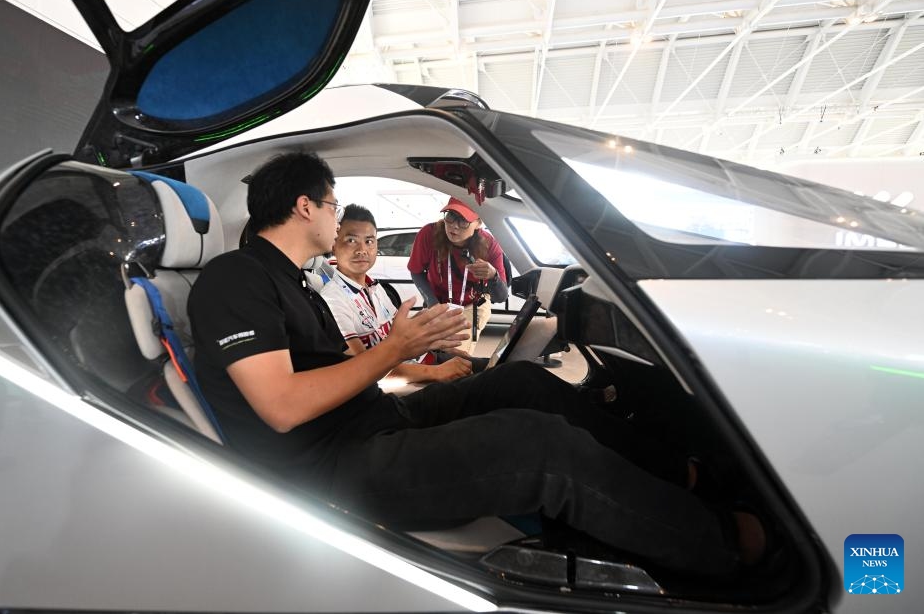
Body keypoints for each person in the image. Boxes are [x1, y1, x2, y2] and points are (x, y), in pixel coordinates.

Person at [188, 151, 764, 577]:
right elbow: (282, 406)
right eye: (333, 206)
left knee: (523, 382)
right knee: (538, 445)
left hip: (371, 421)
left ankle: (677, 474)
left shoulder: (292, 281)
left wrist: (414, 347)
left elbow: (342, 365)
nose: (338, 222)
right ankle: (721, 546)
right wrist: (396, 349)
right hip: (335, 467)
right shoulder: (235, 279)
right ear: (305, 206)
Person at [319, 203, 472, 384]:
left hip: (422, 361)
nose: (362, 250)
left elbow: (398, 337)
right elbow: (362, 369)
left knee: (492, 369)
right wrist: (437, 372)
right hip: (408, 380)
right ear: (334, 244)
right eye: (351, 240)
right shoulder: (333, 299)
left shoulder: (375, 288)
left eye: (369, 241)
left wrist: (432, 340)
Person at [407, 197, 508, 355]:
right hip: (438, 303)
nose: (454, 225)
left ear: (478, 223)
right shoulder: (429, 234)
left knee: (453, 354)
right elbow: (416, 271)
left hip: (471, 305)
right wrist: (433, 304)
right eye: (451, 216)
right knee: (425, 351)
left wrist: (493, 276)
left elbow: (501, 296)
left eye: (463, 220)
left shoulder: (490, 244)